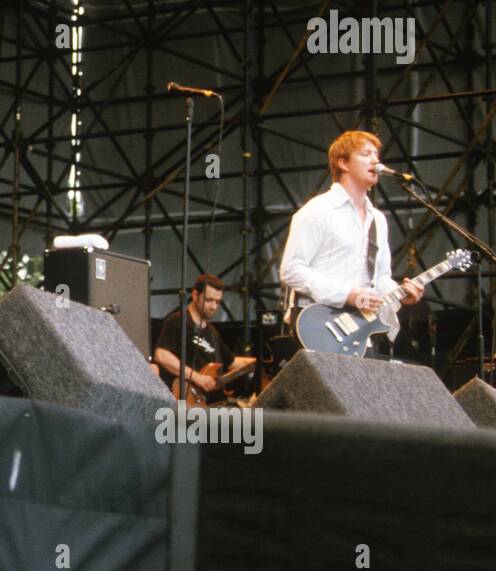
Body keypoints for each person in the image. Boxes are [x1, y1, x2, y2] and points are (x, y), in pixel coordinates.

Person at [278, 130, 423, 346]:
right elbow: (291, 270)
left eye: (376, 155)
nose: (375, 160)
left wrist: (401, 293)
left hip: (357, 330)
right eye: (366, 154)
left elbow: (380, 277)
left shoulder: (377, 220)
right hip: (317, 326)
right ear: (343, 163)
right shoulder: (319, 210)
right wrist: (348, 295)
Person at [154, 274, 255, 396]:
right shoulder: (178, 320)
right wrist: (197, 377)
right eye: (209, 300)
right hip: (185, 400)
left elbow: (232, 362)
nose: (213, 306)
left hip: (209, 405)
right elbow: (161, 355)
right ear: (195, 295)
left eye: (217, 302)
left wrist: (256, 364)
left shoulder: (212, 333)